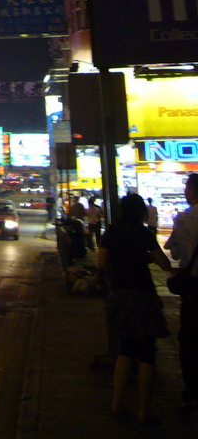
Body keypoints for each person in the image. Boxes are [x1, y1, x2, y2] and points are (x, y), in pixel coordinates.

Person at [98, 192, 171, 424]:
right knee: (147, 353)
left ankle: (117, 405)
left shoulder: (111, 232)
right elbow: (165, 263)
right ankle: (143, 411)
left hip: (119, 295)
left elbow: (101, 263)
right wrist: (144, 257)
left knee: (125, 351)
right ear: (141, 212)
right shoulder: (143, 233)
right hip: (143, 296)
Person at [165, 172, 198, 414]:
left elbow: (175, 254)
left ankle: (192, 395)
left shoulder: (184, 219)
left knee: (189, 342)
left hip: (194, 290)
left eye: (187, 189)